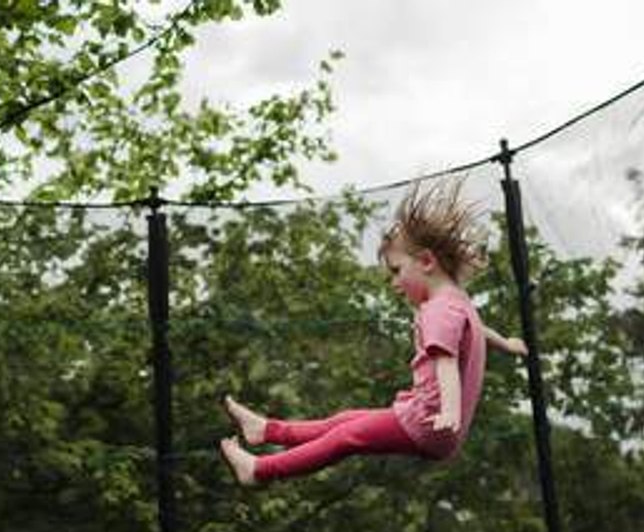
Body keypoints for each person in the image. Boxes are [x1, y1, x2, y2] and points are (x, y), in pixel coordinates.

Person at [218, 180, 528, 486]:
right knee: (345, 420)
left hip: (430, 423)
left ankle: (260, 470)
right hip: (429, 419)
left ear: (426, 262)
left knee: (345, 437)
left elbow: (445, 361)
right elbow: (476, 330)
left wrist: (449, 410)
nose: (394, 284)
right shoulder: (457, 301)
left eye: (396, 271)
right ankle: (267, 431)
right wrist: (508, 344)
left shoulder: (436, 309)